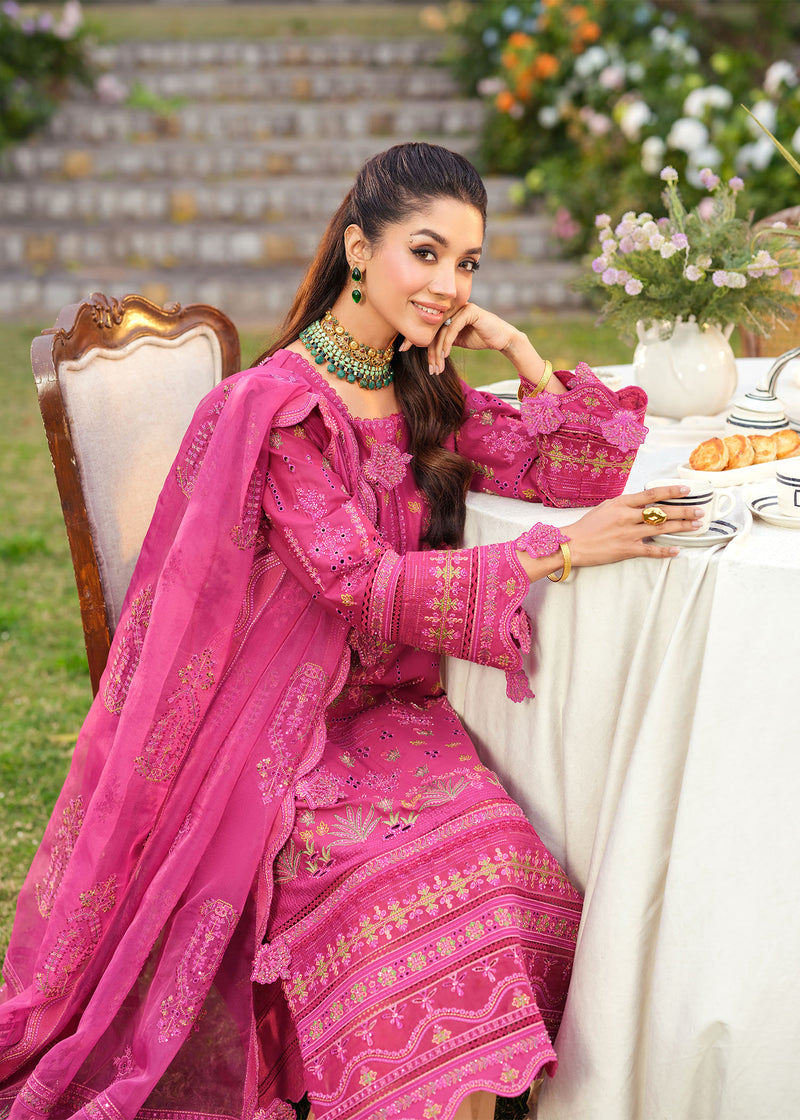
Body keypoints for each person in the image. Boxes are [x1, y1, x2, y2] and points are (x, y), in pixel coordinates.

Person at [0, 142, 701, 1120]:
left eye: (467, 264)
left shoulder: (413, 381)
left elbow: (567, 473)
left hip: (390, 716)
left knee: (511, 860)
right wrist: (556, 554)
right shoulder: (281, 406)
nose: (446, 283)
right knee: (419, 888)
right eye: (426, 252)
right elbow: (361, 587)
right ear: (358, 249)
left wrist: (520, 352)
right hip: (285, 737)